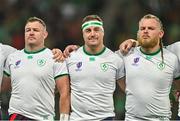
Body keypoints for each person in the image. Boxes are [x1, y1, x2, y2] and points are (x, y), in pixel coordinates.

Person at [64, 14, 180, 120]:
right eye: (142, 28)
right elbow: (96, 59)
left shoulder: (171, 57)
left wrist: (173, 93)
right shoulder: (125, 54)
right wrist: (77, 51)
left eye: (150, 28)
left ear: (161, 33)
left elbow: (177, 84)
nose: (145, 31)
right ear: (138, 32)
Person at [2, 17, 70, 120]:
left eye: (36, 30)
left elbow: (64, 92)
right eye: (28, 30)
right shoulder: (13, 57)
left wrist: (64, 119)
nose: (31, 33)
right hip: (17, 115)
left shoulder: (55, 57)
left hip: (43, 117)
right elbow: (4, 86)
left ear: (45, 34)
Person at [65, 15, 125, 121]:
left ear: (103, 32)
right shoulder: (70, 58)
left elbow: (128, 90)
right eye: (88, 30)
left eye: (96, 30)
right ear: (83, 34)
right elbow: (58, 89)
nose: (92, 34)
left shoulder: (115, 59)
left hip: (105, 118)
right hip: (76, 118)